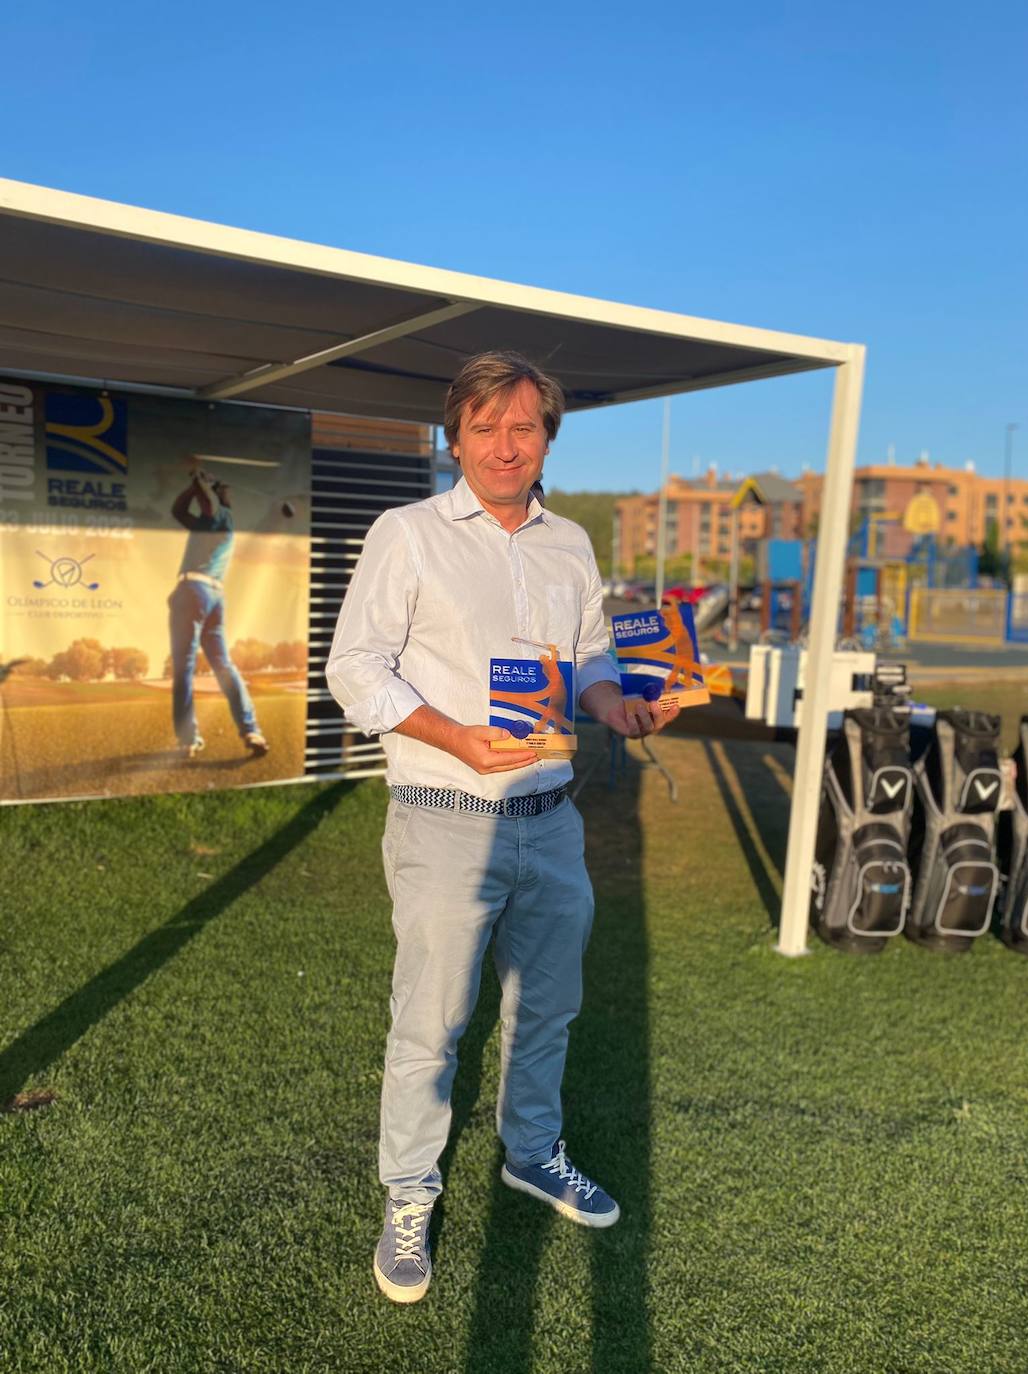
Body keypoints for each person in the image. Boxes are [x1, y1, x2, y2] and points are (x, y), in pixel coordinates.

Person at [326, 351, 679, 1305]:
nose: (503, 445)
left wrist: (616, 707)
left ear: (546, 438)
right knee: (431, 1026)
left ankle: (530, 1152)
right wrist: (451, 737)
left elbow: (591, 655)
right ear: (454, 440)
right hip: (445, 815)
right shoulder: (406, 533)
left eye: (522, 427)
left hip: (550, 817)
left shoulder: (569, 542)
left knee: (548, 1008)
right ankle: (408, 1191)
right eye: (483, 428)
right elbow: (353, 666)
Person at [168, 469, 268, 761]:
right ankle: (251, 730)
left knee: (184, 668)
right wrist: (195, 485)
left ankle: (188, 739)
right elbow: (178, 510)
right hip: (214, 597)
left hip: (193, 591)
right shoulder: (205, 524)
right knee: (223, 664)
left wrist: (202, 483)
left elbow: (208, 503)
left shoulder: (221, 515)